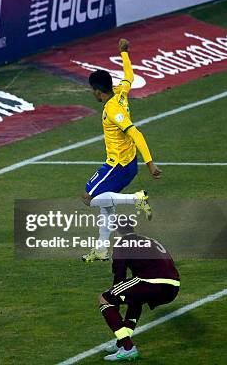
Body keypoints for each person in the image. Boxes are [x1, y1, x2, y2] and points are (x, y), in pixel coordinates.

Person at [81, 38, 162, 263]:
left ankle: (135, 199)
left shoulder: (113, 109)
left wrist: (150, 163)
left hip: (117, 164)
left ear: (98, 91)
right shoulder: (120, 91)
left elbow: (135, 133)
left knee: (89, 197)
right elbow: (130, 77)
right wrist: (124, 53)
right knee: (106, 205)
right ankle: (101, 250)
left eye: (92, 91)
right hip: (129, 164)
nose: (92, 94)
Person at [98, 223, 180, 361]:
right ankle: (121, 342)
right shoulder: (149, 240)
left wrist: (114, 301)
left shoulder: (122, 243)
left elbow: (119, 276)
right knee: (135, 300)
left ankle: (128, 347)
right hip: (173, 286)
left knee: (104, 299)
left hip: (153, 282)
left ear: (116, 231)